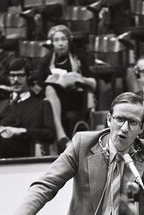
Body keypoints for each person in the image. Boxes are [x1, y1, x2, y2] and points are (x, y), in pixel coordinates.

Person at [0, 92, 144, 215]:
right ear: (109, 119)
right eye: (120, 119)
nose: (124, 128)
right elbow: (46, 185)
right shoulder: (82, 144)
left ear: (142, 128)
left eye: (132, 122)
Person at [0, 58, 55, 160]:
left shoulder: (41, 104)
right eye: (12, 76)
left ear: (28, 77)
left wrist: (21, 131)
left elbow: (50, 135)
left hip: (20, 146)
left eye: (20, 76)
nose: (15, 80)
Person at [37, 24, 96, 152]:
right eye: (56, 40)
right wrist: (49, 80)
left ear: (69, 41)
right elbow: (37, 85)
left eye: (63, 39)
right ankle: (62, 137)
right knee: (49, 89)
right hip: (53, 99)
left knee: (49, 92)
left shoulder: (79, 57)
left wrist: (79, 78)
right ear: (52, 43)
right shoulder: (46, 61)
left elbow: (93, 83)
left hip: (75, 97)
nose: (60, 43)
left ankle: (61, 138)